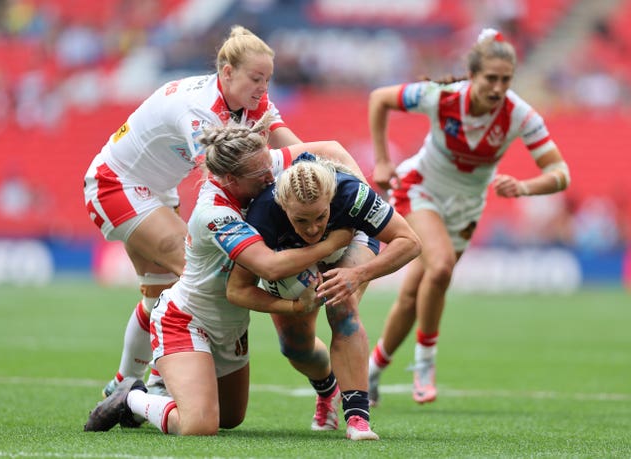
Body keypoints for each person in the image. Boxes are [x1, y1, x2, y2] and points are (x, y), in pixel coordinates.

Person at [83, 25, 363, 398]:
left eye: (268, 79)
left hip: (155, 187)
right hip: (116, 184)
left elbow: (298, 153)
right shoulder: (200, 112)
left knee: (157, 294)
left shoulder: (249, 100)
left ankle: (123, 387)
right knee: (196, 273)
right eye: (256, 79)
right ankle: (159, 384)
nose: (263, 88)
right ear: (227, 72)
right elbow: (226, 184)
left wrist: (321, 191)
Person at [84, 113, 355, 436]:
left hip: (232, 328)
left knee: (230, 418)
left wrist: (360, 198)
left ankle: (164, 395)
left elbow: (332, 149)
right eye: (259, 173)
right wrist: (335, 243)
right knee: (199, 425)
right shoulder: (214, 213)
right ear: (229, 179)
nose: (270, 176)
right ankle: (132, 397)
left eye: (268, 163)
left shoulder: (258, 167)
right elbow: (267, 266)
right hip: (186, 320)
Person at [366, 28, 571, 406]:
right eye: (490, 79)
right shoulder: (441, 97)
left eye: (505, 80)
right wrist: (381, 159)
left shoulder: (519, 114)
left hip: (465, 208)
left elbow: (560, 174)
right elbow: (379, 99)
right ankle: (424, 364)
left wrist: (525, 187)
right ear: (472, 76)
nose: (497, 88)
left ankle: (371, 371)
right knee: (441, 267)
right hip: (419, 188)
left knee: (414, 293)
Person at [226, 155, 422, 440]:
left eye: (320, 216)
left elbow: (410, 242)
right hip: (288, 256)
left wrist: (359, 274)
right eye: (300, 220)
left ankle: (358, 419)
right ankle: (327, 389)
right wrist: (292, 306)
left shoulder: (352, 194)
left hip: (351, 243)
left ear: (331, 199)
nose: (313, 228)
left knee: (341, 303)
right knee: (295, 346)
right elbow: (237, 289)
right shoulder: (263, 214)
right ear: (283, 207)